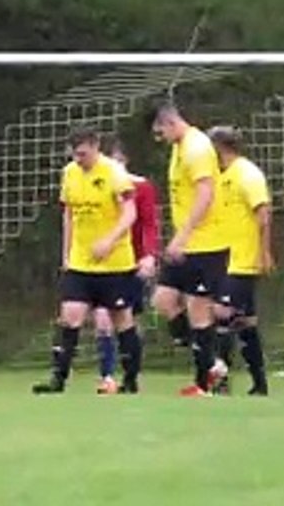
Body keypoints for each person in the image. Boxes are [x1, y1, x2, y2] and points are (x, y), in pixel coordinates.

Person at [33, 126, 138, 395]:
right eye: (74, 154)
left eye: (83, 153)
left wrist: (109, 240)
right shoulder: (69, 173)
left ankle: (130, 380)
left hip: (114, 262)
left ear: (95, 146)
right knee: (70, 317)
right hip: (81, 262)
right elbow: (69, 214)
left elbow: (130, 213)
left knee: (121, 319)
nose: (78, 159)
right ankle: (58, 379)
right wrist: (66, 254)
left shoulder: (114, 172)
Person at [147, 100, 229, 396]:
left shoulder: (196, 147)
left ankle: (205, 381)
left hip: (206, 243)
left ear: (169, 122)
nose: (160, 140)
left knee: (198, 309)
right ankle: (213, 363)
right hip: (188, 242)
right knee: (163, 300)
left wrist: (182, 235)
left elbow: (205, 194)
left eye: (159, 133)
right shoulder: (178, 148)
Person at [207, 126, 273, 396]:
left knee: (222, 314)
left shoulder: (247, 173)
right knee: (245, 322)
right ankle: (260, 383)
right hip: (226, 258)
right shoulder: (221, 176)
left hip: (242, 260)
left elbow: (264, 213)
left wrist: (264, 251)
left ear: (219, 147)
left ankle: (219, 381)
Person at [102, 135, 159, 393]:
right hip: (101, 262)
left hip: (130, 262)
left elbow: (148, 223)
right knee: (103, 318)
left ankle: (131, 375)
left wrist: (148, 255)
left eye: (117, 161)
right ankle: (107, 375)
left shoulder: (141, 188)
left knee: (128, 319)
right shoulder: (95, 185)